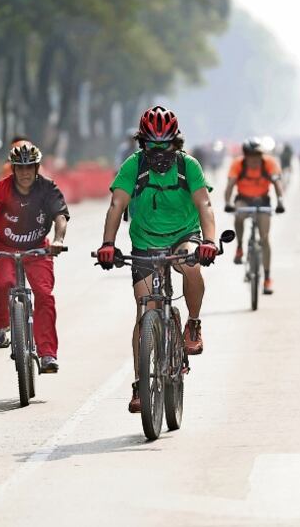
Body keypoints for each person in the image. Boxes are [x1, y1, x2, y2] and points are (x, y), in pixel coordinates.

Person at [95, 106, 217, 413]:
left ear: (176, 144)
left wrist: (210, 241)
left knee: (191, 263)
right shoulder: (132, 167)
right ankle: (140, 384)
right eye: (152, 145)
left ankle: (193, 323)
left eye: (166, 146)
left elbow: (204, 204)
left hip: (183, 235)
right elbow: (115, 205)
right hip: (145, 241)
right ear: (141, 143)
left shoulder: (188, 166)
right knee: (144, 308)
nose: (159, 152)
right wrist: (108, 244)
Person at [0, 142, 68, 373]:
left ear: (37, 168)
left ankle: (47, 354)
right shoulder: (0, 188)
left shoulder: (47, 188)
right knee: (2, 284)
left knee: (44, 295)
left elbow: (60, 215)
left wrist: (58, 240)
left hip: (38, 250)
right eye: (20, 168)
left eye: (29, 167)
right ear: (12, 169)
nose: (25, 173)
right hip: (5, 248)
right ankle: (2, 323)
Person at [223, 138, 286, 294]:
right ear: (245, 155)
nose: (254, 159)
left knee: (264, 238)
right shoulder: (238, 164)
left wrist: (280, 202)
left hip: (262, 200)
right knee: (238, 216)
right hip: (243, 199)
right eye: (251, 155)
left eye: (257, 155)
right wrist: (227, 203)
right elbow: (230, 185)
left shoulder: (269, 163)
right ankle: (239, 247)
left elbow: (278, 184)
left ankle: (267, 278)